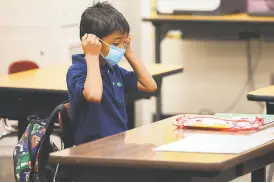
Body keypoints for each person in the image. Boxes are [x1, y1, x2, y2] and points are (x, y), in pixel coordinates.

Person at [66, 1, 157, 145]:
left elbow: (150, 86)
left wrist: (129, 53)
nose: (120, 48)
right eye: (116, 44)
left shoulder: (113, 69)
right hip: (91, 150)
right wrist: (91, 56)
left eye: (124, 42)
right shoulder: (77, 71)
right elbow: (94, 95)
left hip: (117, 144)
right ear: (93, 41)